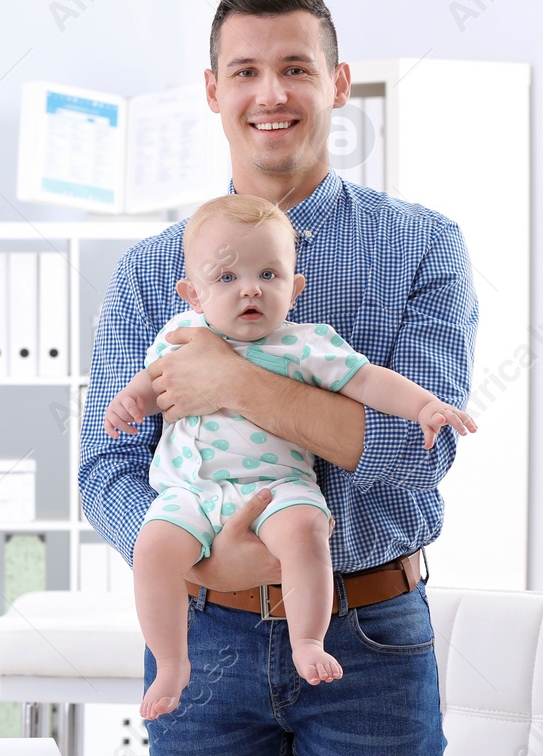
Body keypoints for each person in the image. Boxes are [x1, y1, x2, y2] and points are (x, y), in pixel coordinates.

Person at [80, 0, 477, 756]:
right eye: (246, 70)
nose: (271, 94)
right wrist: (216, 560)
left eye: (296, 67)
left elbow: (418, 460)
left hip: (370, 637)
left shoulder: (422, 246)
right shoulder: (153, 272)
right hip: (202, 639)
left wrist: (231, 381)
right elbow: (103, 469)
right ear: (213, 90)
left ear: (337, 83)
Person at [102, 194, 475, 720]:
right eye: (227, 278)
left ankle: (308, 641)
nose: (250, 287)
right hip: (190, 492)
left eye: (269, 275)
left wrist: (425, 405)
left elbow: (367, 380)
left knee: (304, 532)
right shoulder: (177, 336)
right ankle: (172, 663)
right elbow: (143, 390)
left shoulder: (303, 345)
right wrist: (129, 404)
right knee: (152, 550)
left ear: (294, 289)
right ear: (194, 294)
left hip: (278, 485)